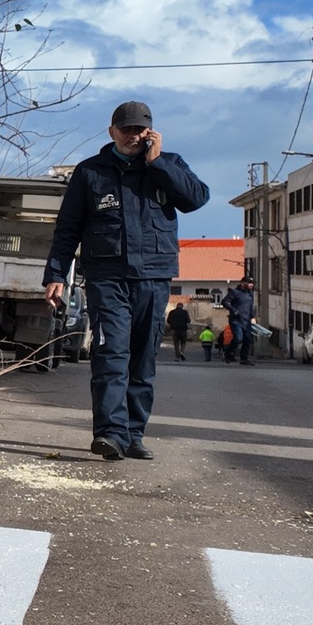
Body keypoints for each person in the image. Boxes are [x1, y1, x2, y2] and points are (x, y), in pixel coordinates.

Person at [43, 101, 209, 461]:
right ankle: (110, 435)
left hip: (153, 277)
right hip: (107, 278)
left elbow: (196, 199)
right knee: (111, 355)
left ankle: (134, 434)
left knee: (143, 359)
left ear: (151, 132)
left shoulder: (169, 165)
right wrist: (56, 274)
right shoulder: (90, 173)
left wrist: (158, 163)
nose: (133, 136)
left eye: (140, 130)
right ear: (112, 132)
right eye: (126, 130)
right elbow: (68, 228)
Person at [222, 278, 257, 366]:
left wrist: (252, 317)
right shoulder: (235, 292)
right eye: (249, 283)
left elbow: (250, 307)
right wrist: (234, 310)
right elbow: (225, 302)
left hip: (247, 321)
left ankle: (244, 359)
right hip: (236, 320)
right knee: (238, 338)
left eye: (252, 283)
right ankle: (228, 352)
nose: (251, 285)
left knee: (248, 340)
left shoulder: (250, 293)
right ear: (243, 283)